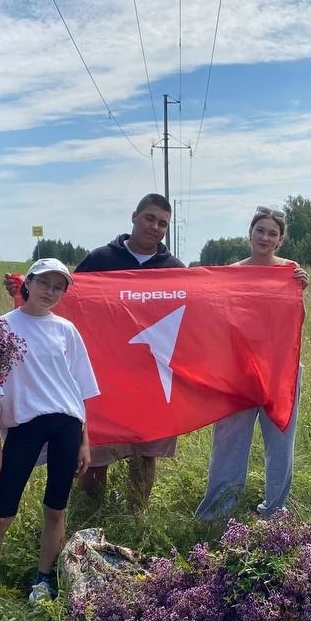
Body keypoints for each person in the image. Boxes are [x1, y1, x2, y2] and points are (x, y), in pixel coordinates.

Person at [0, 259, 99, 619]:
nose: (50, 292)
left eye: (58, 287)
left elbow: (80, 388)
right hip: (23, 426)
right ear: (28, 283)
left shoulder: (66, 330)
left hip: (66, 424)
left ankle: (44, 578)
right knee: (1, 515)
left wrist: (85, 440)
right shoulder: (3, 328)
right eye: (45, 284)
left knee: (56, 508)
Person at [194, 207, 309, 522]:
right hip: (238, 372)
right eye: (260, 230)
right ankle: (217, 513)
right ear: (250, 233)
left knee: (281, 440)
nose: (265, 237)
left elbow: (296, 325)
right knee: (229, 442)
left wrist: (300, 292)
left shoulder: (291, 272)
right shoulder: (232, 273)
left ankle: (275, 511)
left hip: (280, 372)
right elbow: (218, 321)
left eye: (273, 233)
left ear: (280, 239)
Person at [74, 194, 186, 512]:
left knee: (146, 452)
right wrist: (23, 290)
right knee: (97, 452)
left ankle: (136, 514)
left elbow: (201, 308)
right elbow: (64, 295)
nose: (155, 227)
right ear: (134, 216)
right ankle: (89, 513)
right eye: (149, 218)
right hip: (103, 374)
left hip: (150, 375)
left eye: (162, 223)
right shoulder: (100, 259)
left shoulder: (174, 269)